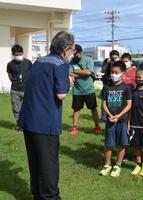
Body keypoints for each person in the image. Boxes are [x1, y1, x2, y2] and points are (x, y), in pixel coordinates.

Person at [18, 31, 75, 200]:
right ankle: (50, 197)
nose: (72, 53)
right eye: (71, 49)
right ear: (66, 49)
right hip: (45, 122)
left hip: (29, 120)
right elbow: (61, 94)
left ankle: (37, 194)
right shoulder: (60, 64)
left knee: (35, 161)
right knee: (48, 163)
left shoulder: (39, 61)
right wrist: (69, 84)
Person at [99, 61, 132, 177]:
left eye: (116, 72)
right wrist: (109, 115)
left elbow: (129, 105)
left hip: (122, 120)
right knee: (108, 144)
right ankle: (107, 164)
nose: (113, 74)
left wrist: (118, 115)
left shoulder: (127, 88)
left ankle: (118, 165)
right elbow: (104, 104)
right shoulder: (106, 87)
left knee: (122, 144)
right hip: (110, 120)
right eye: (112, 72)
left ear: (123, 73)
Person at [69, 44, 100, 136]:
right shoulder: (72, 62)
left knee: (93, 108)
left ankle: (97, 126)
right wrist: (81, 73)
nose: (75, 56)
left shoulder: (88, 60)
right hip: (77, 90)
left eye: (76, 54)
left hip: (89, 90)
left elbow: (88, 72)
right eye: (73, 54)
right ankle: (74, 127)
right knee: (76, 109)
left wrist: (75, 72)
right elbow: (69, 73)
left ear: (81, 52)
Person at [6, 44, 32, 127]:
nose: (18, 56)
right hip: (15, 90)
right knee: (16, 109)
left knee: (28, 108)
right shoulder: (10, 64)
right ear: (13, 55)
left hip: (26, 89)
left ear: (23, 53)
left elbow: (32, 74)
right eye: (16, 55)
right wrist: (15, 82)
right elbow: (9, 75)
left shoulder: (28, 62)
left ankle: (28, 124)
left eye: (20, 54)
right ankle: (20, 126)